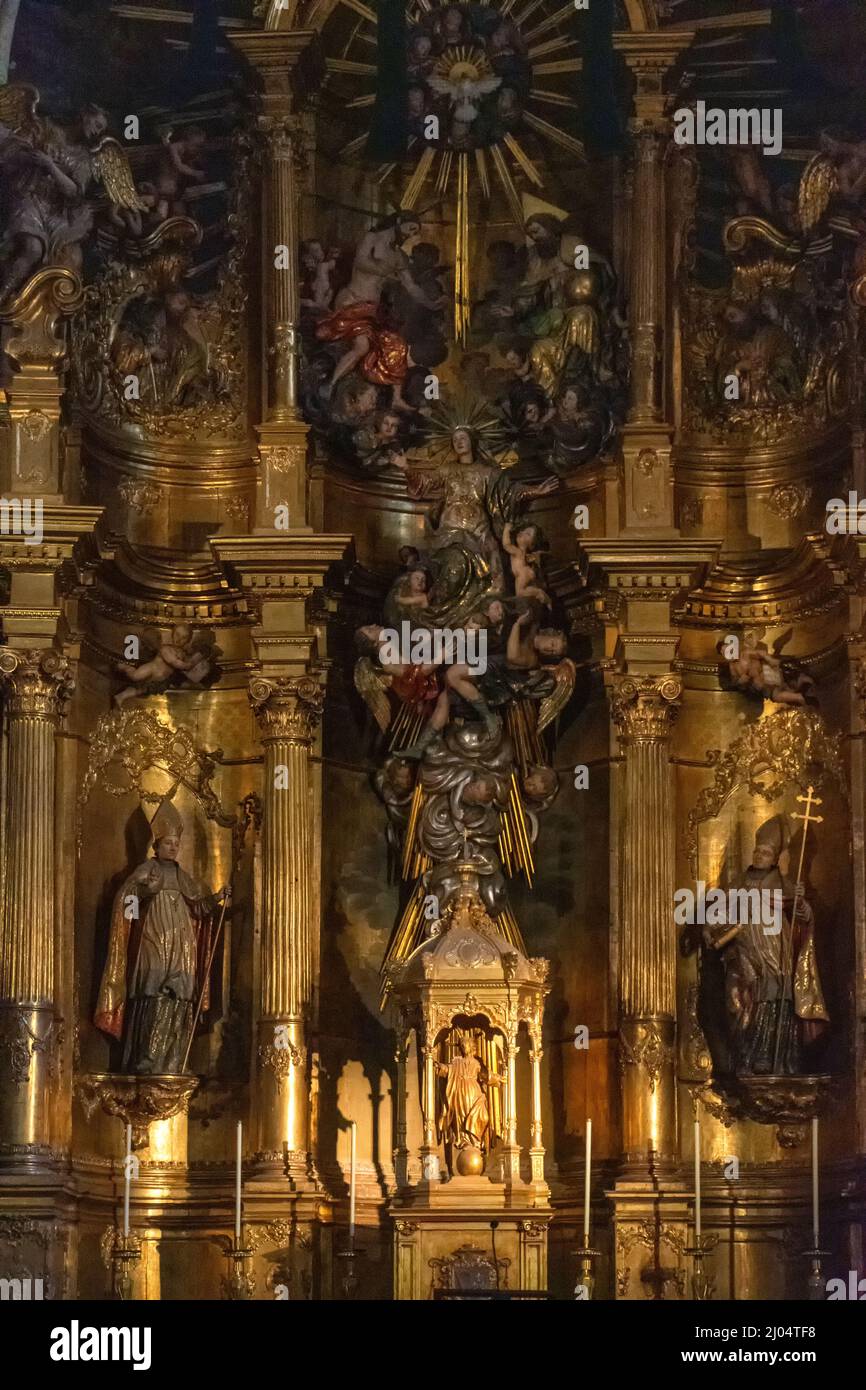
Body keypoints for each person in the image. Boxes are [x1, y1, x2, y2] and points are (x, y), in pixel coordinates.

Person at [95, 800, 230, 1074]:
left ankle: (173, 1061)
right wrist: (145, 892)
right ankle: (146, 1062)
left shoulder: (183, 876)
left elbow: (200, 908)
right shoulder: (147, 870)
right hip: (153, 943)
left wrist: (217, 898)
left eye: (176, 843)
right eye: (168, 843)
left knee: (179, 998)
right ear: (156, 845)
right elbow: (127, 909)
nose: (173, 847)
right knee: (153, 993)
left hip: (181, 947)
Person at [705, 816, 827, 1076]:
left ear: (774, 858)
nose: (760, 855)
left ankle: (776, 1059)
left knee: (777, 996)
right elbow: (718, 912)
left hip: (776, 950)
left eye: (767, 852)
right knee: (738, 1000)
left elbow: (803, 917)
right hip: (744, 950)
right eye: (758, 850)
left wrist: (801, 905)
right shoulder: (738, 882)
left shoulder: (785, 885)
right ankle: (745, 1056)